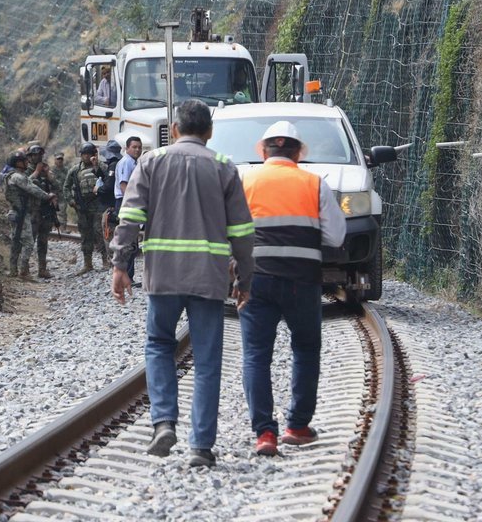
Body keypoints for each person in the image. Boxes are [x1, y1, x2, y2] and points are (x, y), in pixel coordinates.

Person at [111, 99, 255, 468]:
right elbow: (241, 232)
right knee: (207, 360)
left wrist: (120, 265)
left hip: (163, 275)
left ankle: (163, 422)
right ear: (209, 132)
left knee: (159, 346)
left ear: (174, 130)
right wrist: (245, 278)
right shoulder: (224, 167)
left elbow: (129, 217)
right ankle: (201, 447)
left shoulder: (151, 162)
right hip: (208, 278)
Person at [237, 120, 345, 457]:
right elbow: (336, 236)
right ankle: (297, 426)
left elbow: (229, 232)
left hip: (256, 281)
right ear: (297, 152)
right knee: (306, 349)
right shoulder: (314, 184)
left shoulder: (246, 181)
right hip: (303, 281)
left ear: (263, 150)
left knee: (256, 355)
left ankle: (264, 435)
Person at [3, 151, 56, 280]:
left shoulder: (13, 176)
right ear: (18, 163)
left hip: (16, 212)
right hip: (21, 214)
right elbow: (32, 188)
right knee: (28, 242)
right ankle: (23, 272)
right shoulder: (18, 177)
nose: (27, 162)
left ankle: (13, 270)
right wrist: (47, 196)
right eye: (24, 161)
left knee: (16, 242)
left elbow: (28, 182)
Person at [63, 143, 110, 273]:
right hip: (82, 206)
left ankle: (105, 260)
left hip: (98, 205)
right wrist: (71, 201)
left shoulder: (101, 166)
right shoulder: (75, 170)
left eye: (89, 154)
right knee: (85, 234)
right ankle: (87, 263)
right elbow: (66, 187)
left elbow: (108, 179)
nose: (87, 157)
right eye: (84, 155)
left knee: (99, 232)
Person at [113, 135, 143, 282]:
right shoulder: (127, 162)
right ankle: (126, 276)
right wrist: (131, 203)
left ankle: (128, 275)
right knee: (129, 243)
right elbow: (124, 185)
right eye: (134, 147)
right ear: (127, 148)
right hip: (125, 202)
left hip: (127, 202)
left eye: (139, 147)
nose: (137, 150)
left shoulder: (133, 162)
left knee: (132, 243)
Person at [25, 144, 57, 279]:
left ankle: (42, 269)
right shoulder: (26, 170)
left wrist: (48, 174)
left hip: (45, 211)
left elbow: (57, 186)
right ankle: (24, 270)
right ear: (30, 157)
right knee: (28, 241)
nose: (38, 157)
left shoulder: (46, 170)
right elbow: (25, 184)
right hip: (32, 212)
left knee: (43, 241)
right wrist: (37, 172)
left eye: (40, 155)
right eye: (35, 155)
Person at [50, 152, 70, 225]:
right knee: (52, 213)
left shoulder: (66, 170)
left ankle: (63, 228)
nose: (60, 161)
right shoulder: (51, 170)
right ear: (55, 160)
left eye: (61, 159)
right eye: (58, 159)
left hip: (62, 195)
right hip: (53, 195)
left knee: (62, 212)